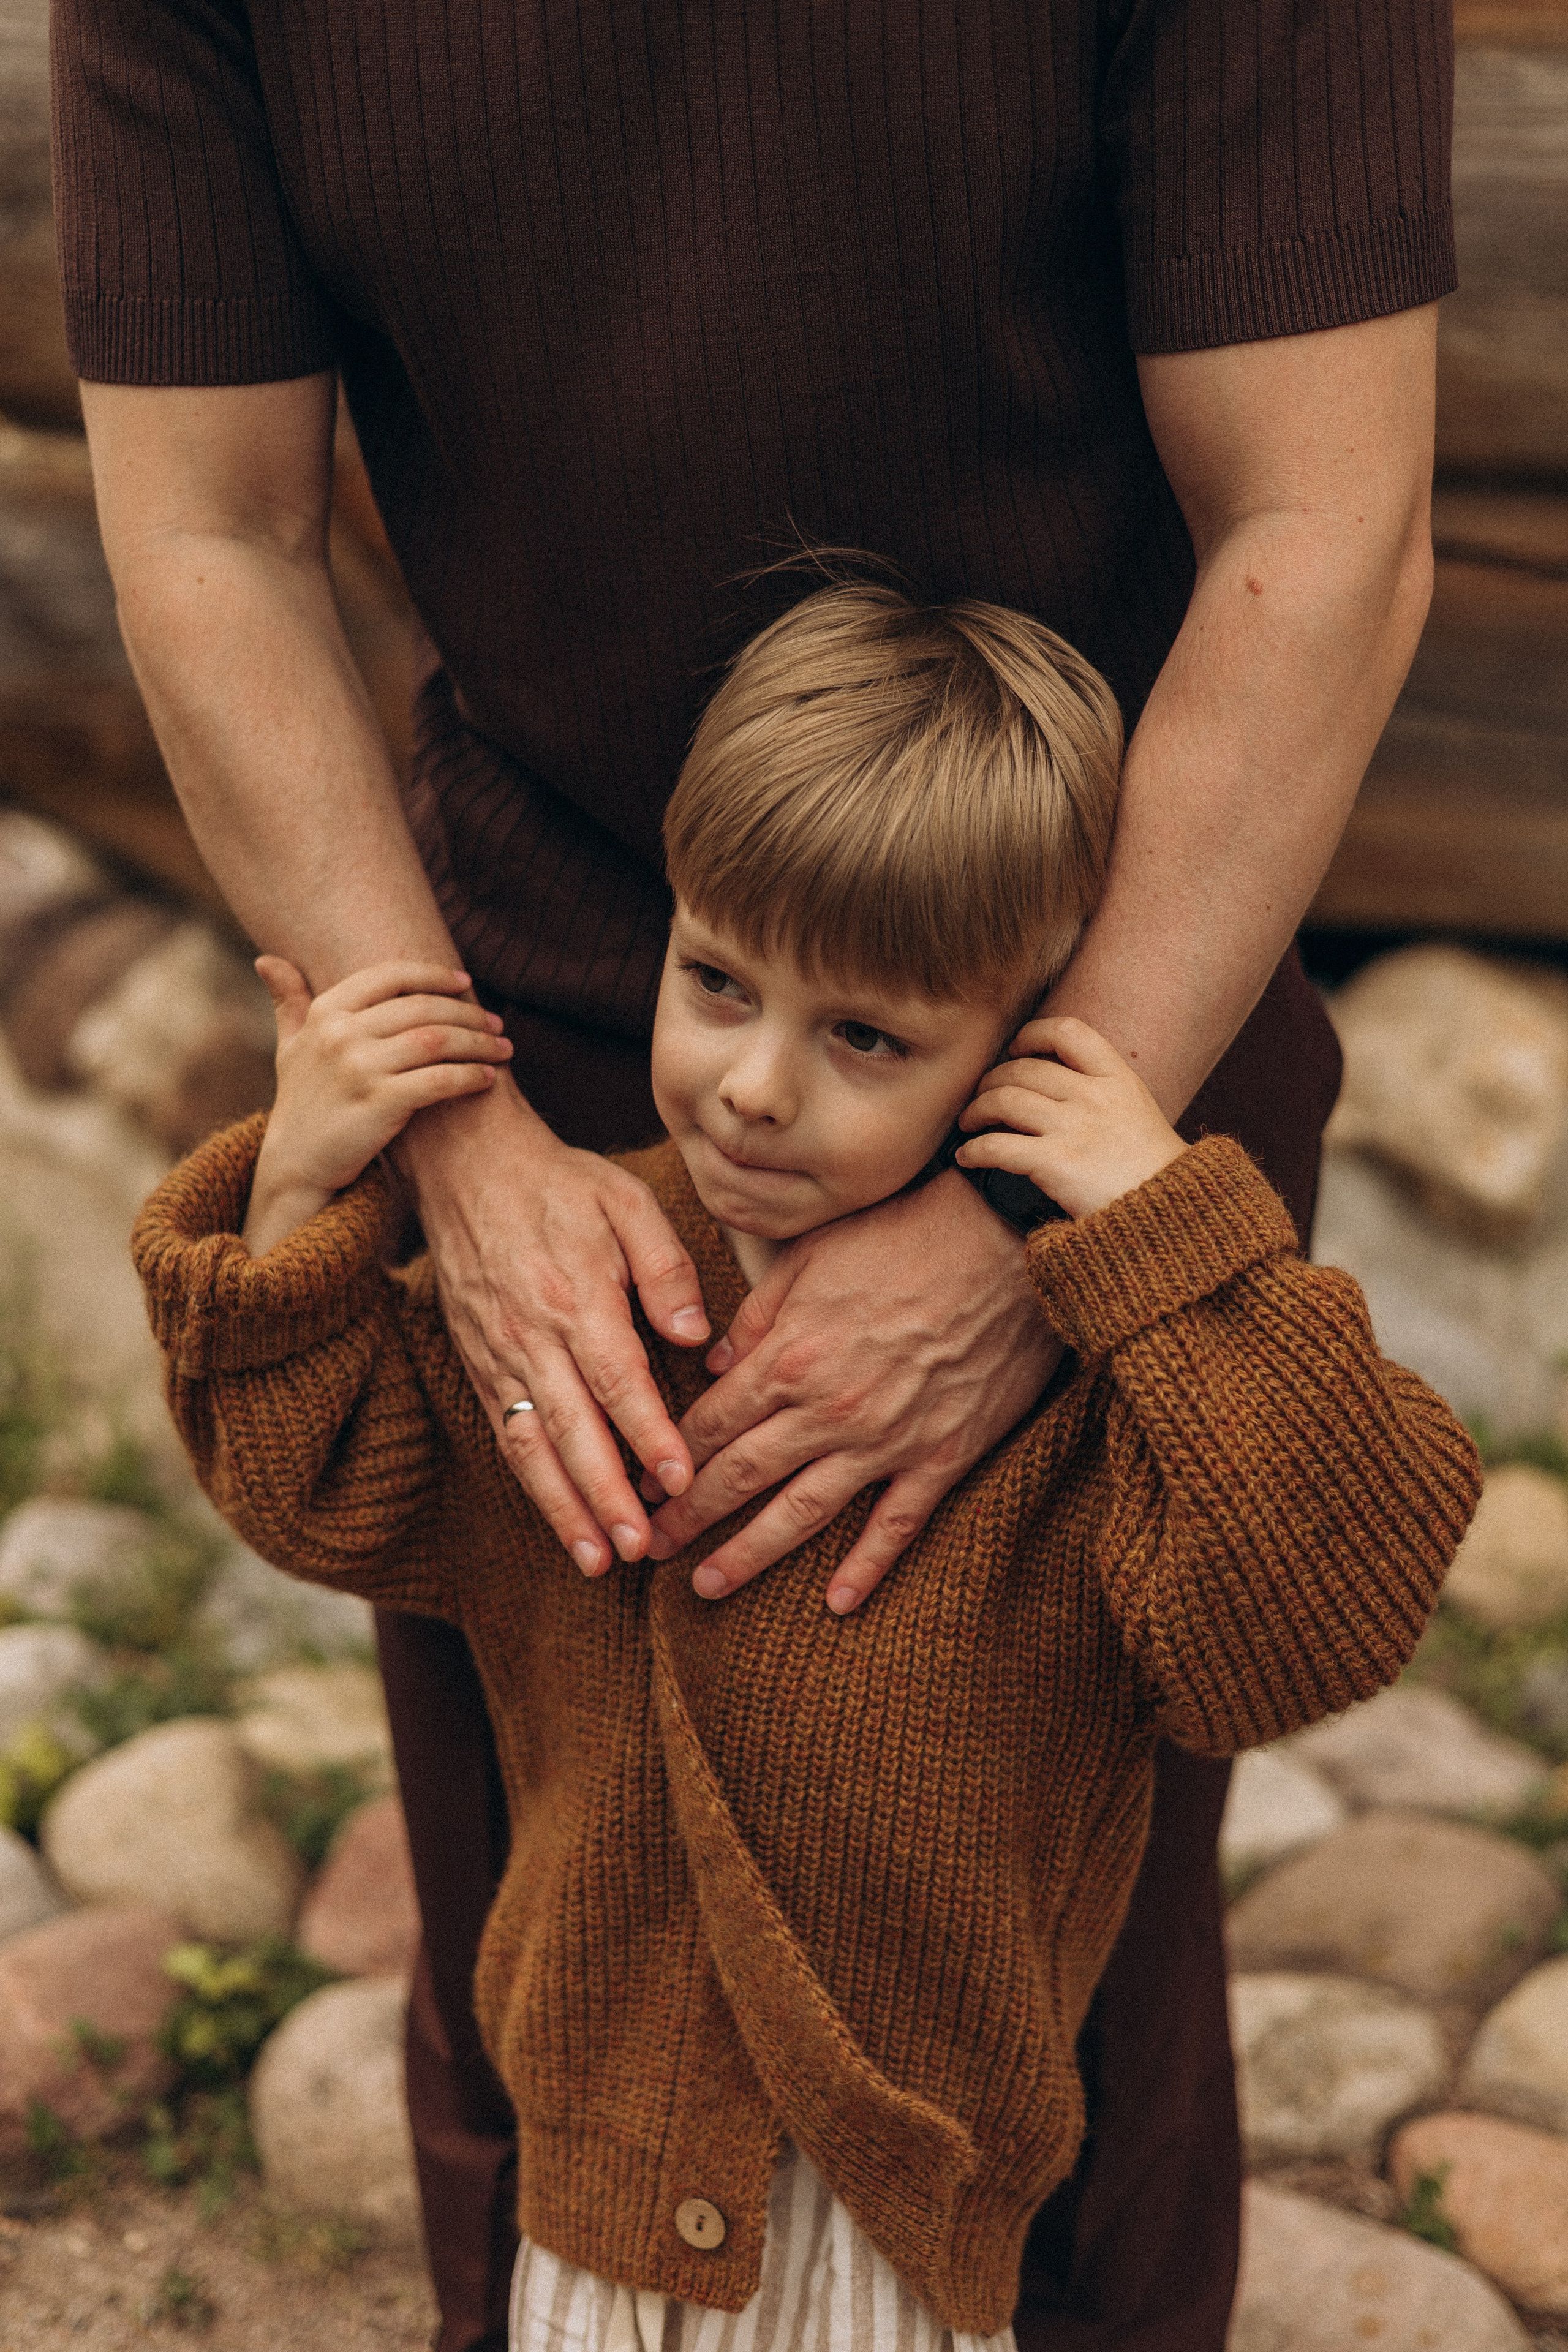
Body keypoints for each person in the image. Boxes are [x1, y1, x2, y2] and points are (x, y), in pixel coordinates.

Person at [53, 1, 1458, 2339]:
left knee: (1092, 2033)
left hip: (1094, 1020)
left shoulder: (1123, 1245)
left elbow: (1327, 518)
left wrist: (1048, 1206)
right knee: (524, 1956)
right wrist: (434, 1152)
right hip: (520, 1033)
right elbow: (205, 524)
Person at [132, 579, 1478, 2352]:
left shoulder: (1089, 1388)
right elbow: (328, 1482)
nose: (755, 1087)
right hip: (601, 2188)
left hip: (896, 2226)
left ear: (1019, 1050)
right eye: (715, 982)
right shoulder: (591, 1286)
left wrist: (1163, 1234)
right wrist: (302, 1192)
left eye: (866, 1038)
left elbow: (1305, 1625)